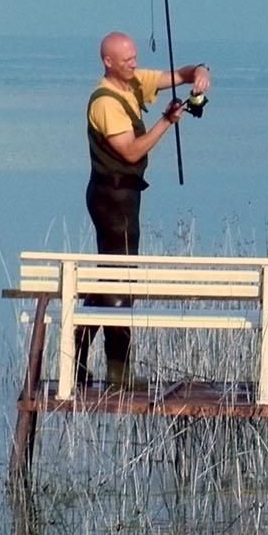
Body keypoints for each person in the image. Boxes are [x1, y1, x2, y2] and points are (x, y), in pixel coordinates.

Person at [82, 31, 212, 391]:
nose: (135, 64)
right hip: (111, 196)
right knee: (120, 281)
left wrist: (200, 72)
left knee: (108, 278)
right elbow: (131, 152)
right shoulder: (105, 102)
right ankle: (118, 371)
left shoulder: (134, 82)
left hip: (126, 196)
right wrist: (166, 122)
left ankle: (76, 357)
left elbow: (180, 74)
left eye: (136, 57)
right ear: (108, 62)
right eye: (127, 60)